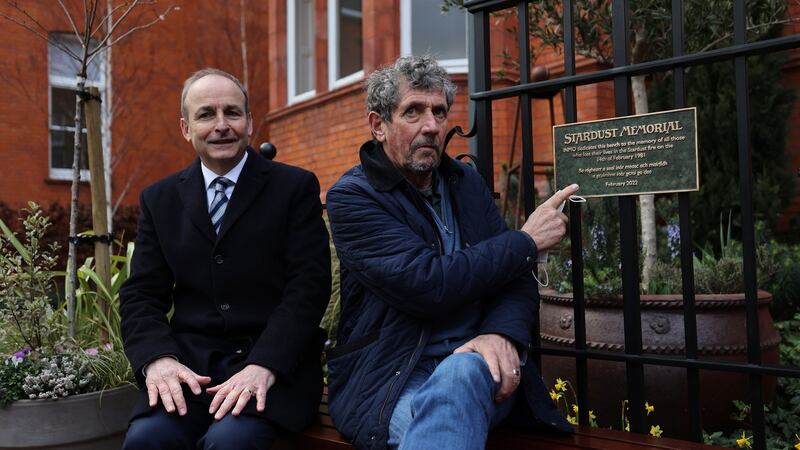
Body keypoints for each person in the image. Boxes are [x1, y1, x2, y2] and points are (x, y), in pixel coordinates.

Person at [325, 55, 578, 450]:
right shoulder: (353, 197)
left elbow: (515, 278)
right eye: (413, 111)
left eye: (439, 112)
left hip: (478, 366)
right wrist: (525, 241)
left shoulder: (465, 183)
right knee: (445, 418)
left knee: (460, 377)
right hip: (392, 377)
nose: (431, 126)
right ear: (378, 125)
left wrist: (499, 332)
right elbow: (428, 284)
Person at [119, 68, 331, 450]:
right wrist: (157, 359)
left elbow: (309, 288)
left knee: (229, 443)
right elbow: (141, 295)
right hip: (190, 371)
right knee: (147, 439)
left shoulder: (294, 188)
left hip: (273, 368)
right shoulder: (159, 199)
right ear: (186, 128)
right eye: (206, 115)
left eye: (232, 113)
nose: (221, 125)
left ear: (249, 121)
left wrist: (264, 364)